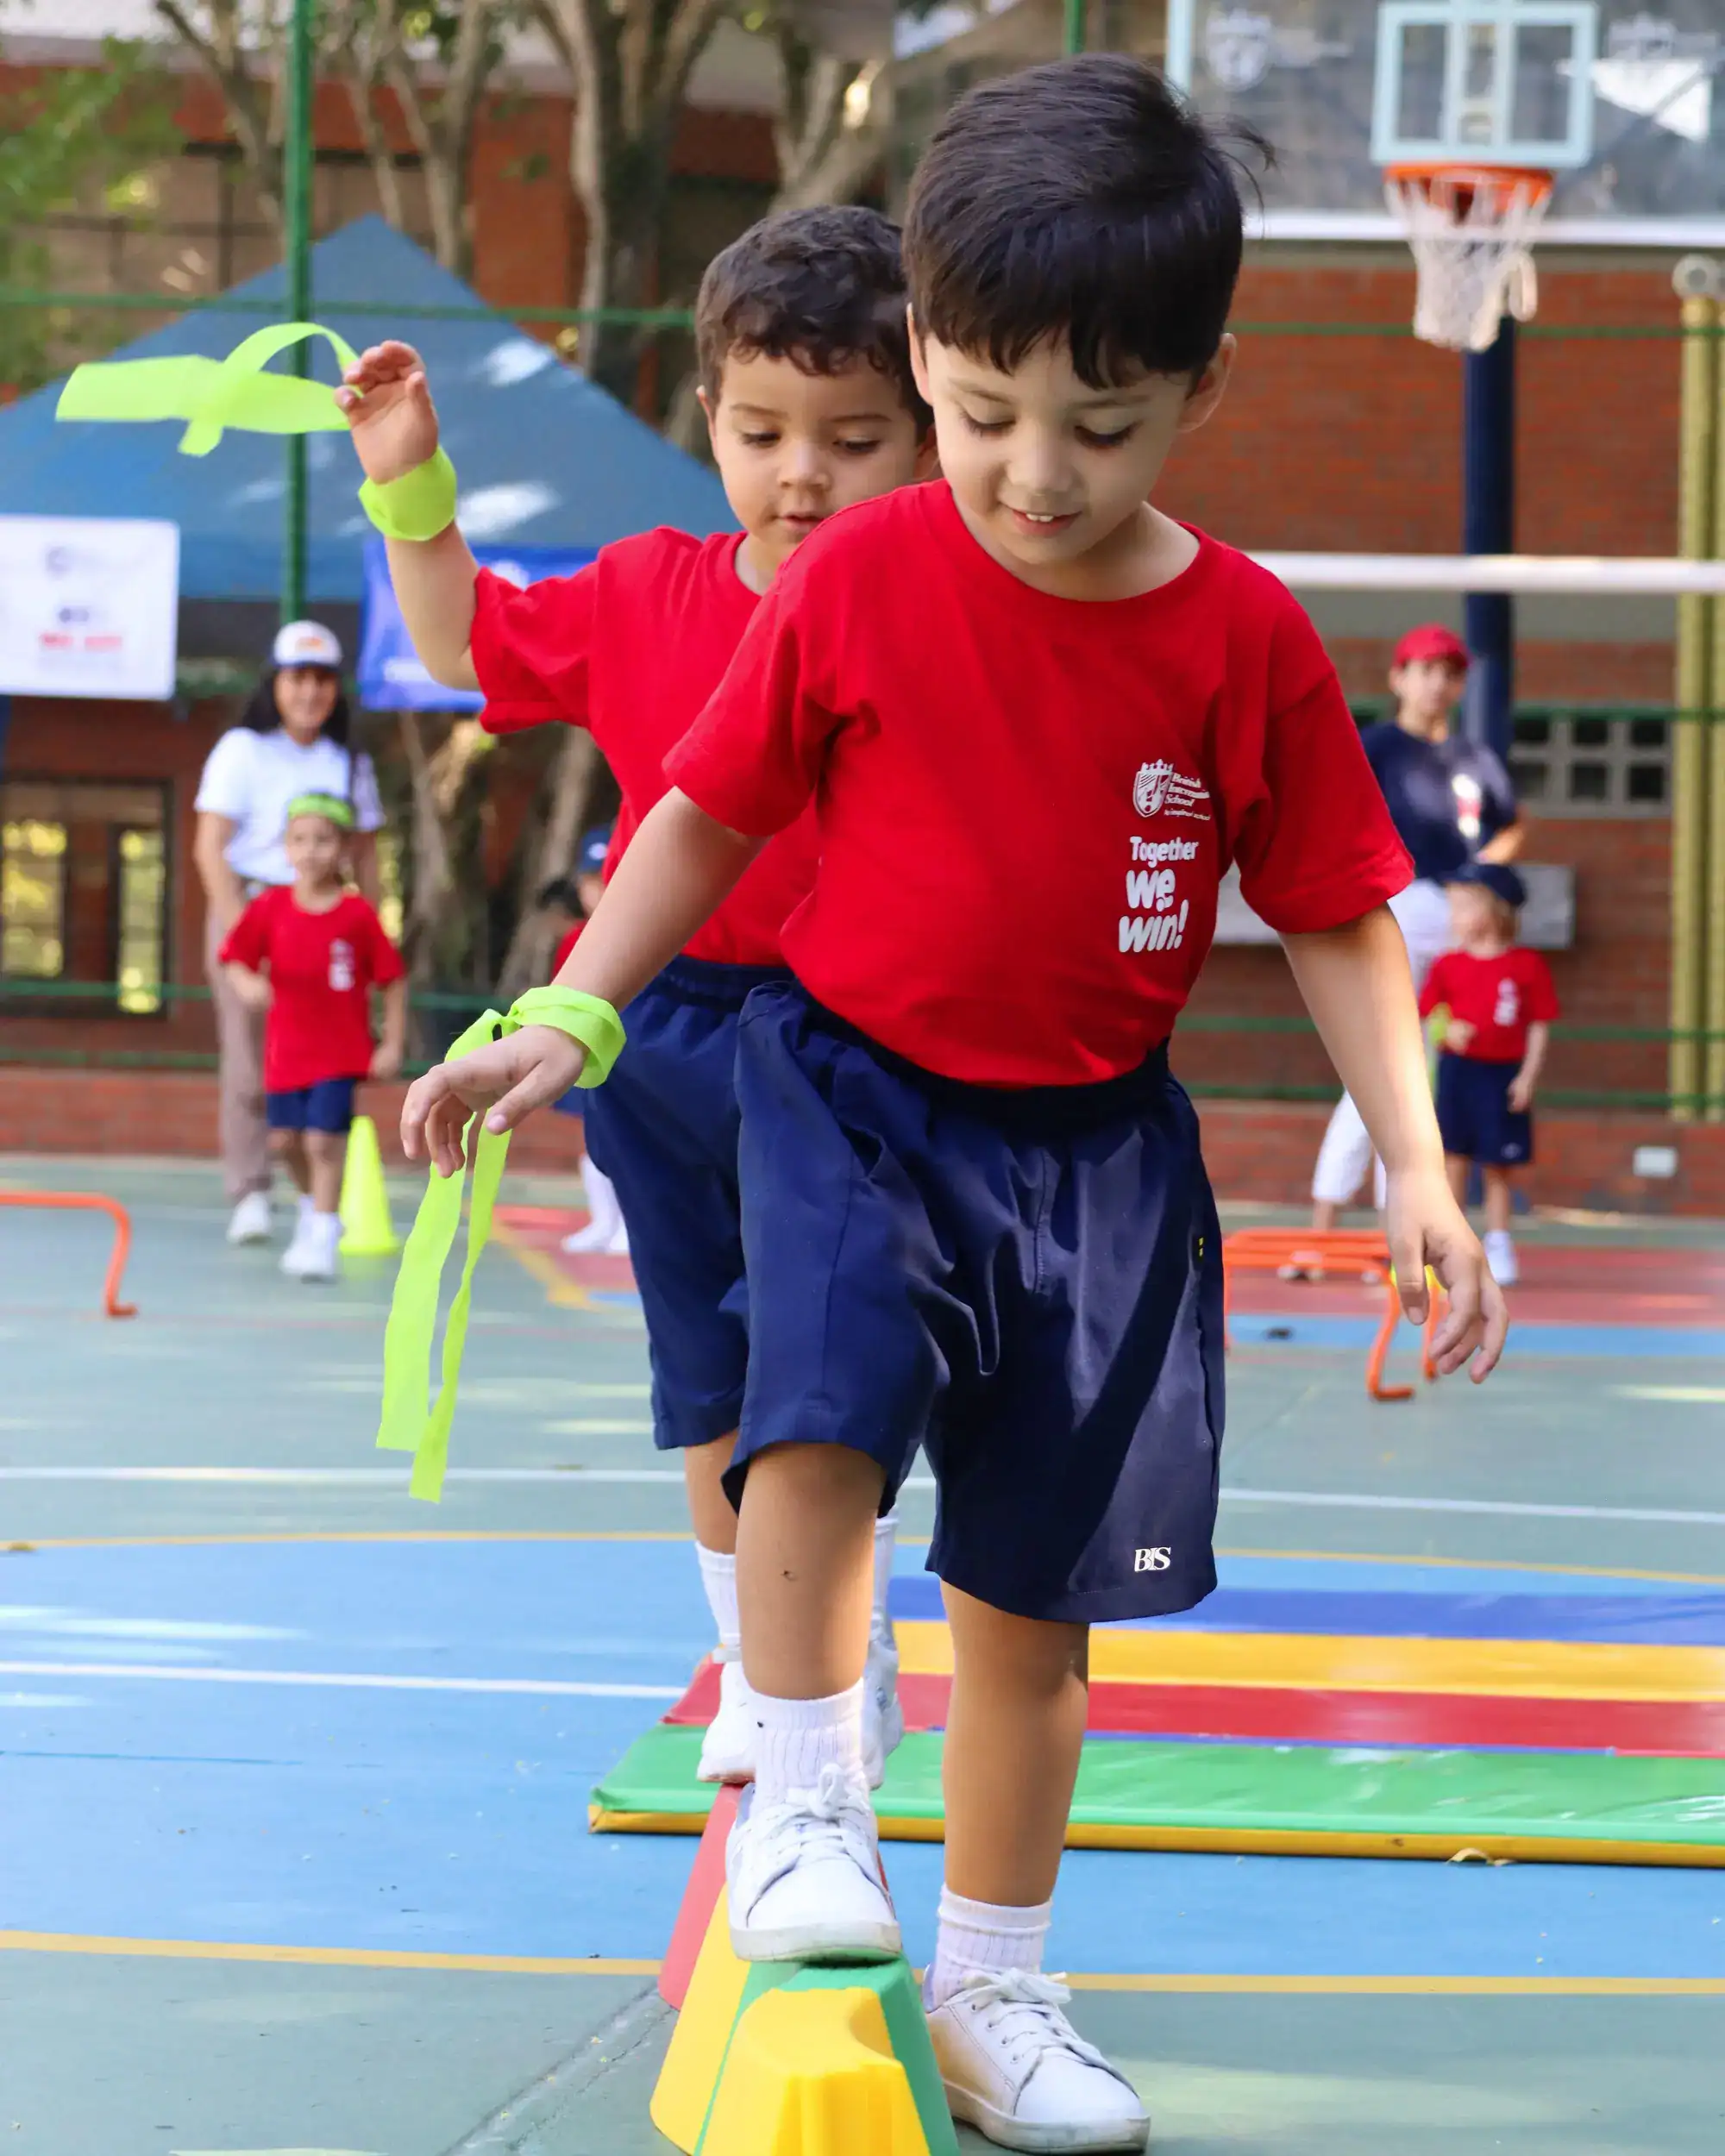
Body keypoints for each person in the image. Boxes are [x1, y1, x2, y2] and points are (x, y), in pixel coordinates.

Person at [397, 58, 1508, 2153]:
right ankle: (810, 1802)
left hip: (1099, 1158)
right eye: (985, 413)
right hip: (851, 1096)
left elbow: (1337, 913)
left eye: (1099, 425)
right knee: (806, 1441)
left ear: (1198, 387)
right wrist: (569, 1013)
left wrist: (1424, 1174)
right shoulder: (858, 575)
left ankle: (996, 1983)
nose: (1032, 472)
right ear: (925, 352)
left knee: (1031, 1607)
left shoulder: (1240, 637)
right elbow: (702, 811)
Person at [339, 205, 936, 1789]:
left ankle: (838, 1639)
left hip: (858, 1046)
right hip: (656, 1032)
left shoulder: (939, 606)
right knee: (707, 1374)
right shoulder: (642, 592)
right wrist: (409, 478)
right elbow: (459, 639)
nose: (802, 473)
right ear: (711, 418)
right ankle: (751, 1657)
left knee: (835, 1368)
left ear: (930, 435)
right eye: (762, 433)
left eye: (855, 440)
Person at [1306, 623, 1524, 1238]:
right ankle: (1328, 1223)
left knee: (1427, 1070)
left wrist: (1478, 881)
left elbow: (1511, 824)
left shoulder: (1473, 757)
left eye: (1450, 672)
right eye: (1426, 669)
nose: (1437, 684)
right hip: (1397, 905)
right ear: (1398, 677)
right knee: (1385, 1061)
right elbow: (1332, 814)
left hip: (1462, 915)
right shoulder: (1375, 746)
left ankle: (1396, 1230)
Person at [193, 622, 386, 1248]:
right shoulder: (241, 750)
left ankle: (316, 1203)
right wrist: (240, 941)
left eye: (323, 679)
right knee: (249, 1062)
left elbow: (367, 856)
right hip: (253, 912)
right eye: (298, 678)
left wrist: (368, 933)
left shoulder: (350, 760)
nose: (310, 691)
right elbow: (210, 847)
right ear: (275, 684)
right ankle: (250, 1190)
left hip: (327, 926)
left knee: (326, 1060)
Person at [219, 793, 405, 1281]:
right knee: (286, 1141)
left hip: (340, 1053)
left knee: (324, 1140)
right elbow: (235, 956)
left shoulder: (357, 915)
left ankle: (323, 1233)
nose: (311, 850)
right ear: (285, 848)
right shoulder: (270, 907)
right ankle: (312, 1207)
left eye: (323, 840)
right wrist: (247, 983)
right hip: (286, 1053)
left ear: (342, 849)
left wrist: (391, 1043)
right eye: (299, 839)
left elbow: (392, 979)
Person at [1419, 864, 1556, 1287]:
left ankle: (1498, 1241)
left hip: (1502, 1075)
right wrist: (1447, 1029)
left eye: (1464, 906)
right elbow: (1427, 1013)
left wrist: (1527, 1077)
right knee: (1453, 1159)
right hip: (1458, 1072)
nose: (1455, 916)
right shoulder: (1447, 964)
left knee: (1498, 1165)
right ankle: (1453, 1242)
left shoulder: (1526, 965)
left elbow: (1539, 1024)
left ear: (1494, 910)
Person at [544, 829, 631, 1257]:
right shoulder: (573, 939)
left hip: (628, 1053)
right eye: (590, 880)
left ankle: (630, 1226)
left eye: (607, 876)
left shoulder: (645, 934)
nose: (598, 889)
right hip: (587, 1050)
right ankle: (604, 1221)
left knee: (629, 1136)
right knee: (589, 1135)